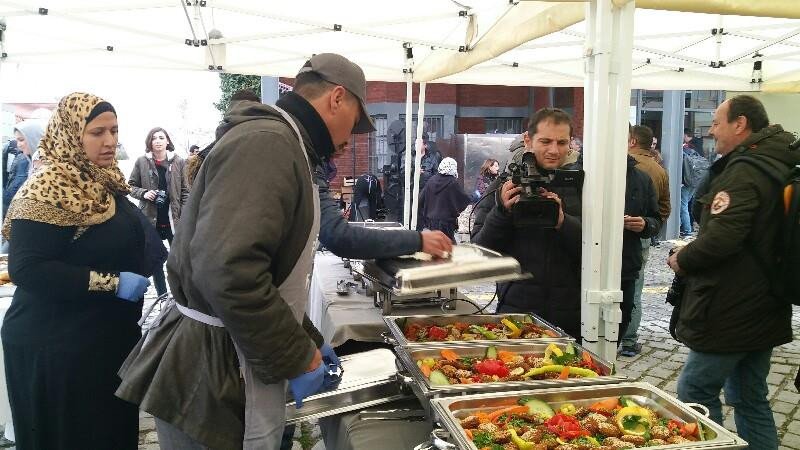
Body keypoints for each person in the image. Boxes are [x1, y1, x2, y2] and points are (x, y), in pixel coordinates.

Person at [116, 53, 382, 450]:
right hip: (210, 374)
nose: (350, 139)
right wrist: (295, 354)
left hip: (224, 355)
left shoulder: (284, 143)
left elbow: (268, 273)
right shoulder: (267, 145)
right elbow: (229, 271)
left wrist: (306, 336)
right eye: (356, 121)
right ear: (337, 98)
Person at [1, 93, 152, 449]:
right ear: (71, 134)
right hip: (58, 347)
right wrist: (112, 284)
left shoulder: (104, 181)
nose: (110, 141)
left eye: (114, 130)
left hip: (105, 344)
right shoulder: (44, 188)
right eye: (97, 132)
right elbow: (28, 268)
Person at [670, 95, 800, 448]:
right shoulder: (780, 161)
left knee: (694, 393)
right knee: (750, 397)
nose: (711, 131)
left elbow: (721, 240)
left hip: (730, 306)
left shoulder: (744, 171)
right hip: (767, 301)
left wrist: (683, 259)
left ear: (740, 124)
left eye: (716, 123)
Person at [472, 108, 583, 338]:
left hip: (571, 315)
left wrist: (563, 223)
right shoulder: (505, 186)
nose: (554, 150)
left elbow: (599, 251)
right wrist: (502, 211)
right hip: (517, 312)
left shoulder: (582, 185)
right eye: (545, 141)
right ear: (528, 140)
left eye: (562, 142)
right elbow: (480, 253)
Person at [620, 125, 671, 357]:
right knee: (635, 290)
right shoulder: (659, 170)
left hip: (629, 240)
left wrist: (645, 223)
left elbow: (657, 213)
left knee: (629, 287)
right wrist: (648, 225)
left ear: (631, 141)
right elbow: (663, 210)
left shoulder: (638, 172)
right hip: (639, 239)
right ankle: (629, 340)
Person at [128, 127, 188, 297]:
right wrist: (144, 193)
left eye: (161, 137)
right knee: (155, 261)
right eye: (154, 138)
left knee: (178, 260)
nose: (158, 141)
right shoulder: (142, 161)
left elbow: (186, 191)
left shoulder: (179, 162)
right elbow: (130, 186)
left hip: (173, 219)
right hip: (150, 219)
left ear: (167, 141)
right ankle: (162, 297)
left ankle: (180, 295)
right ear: (150, 142)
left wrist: (183, 214)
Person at [618, 153, 661, 345]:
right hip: (581, 267)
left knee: (621, 319)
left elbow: (656, 218)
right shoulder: (577, 173)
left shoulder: (641, 178)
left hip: (625, 265)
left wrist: (645, 224)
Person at [419, 157, 471, 242]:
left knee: (436, 245)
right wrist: (475, 195)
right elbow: (464, 199)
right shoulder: (452, 183)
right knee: (448, 246)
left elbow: (420, 200)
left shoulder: (431, 180)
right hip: (446, 223)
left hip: (431, 222)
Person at [3, 120, 44, 215]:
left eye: (21, 140)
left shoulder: (48, 164)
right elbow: (10, 180)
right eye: (17, 140)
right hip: (12, 211)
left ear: (33, 138)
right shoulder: (23, 159)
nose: (18, 145)